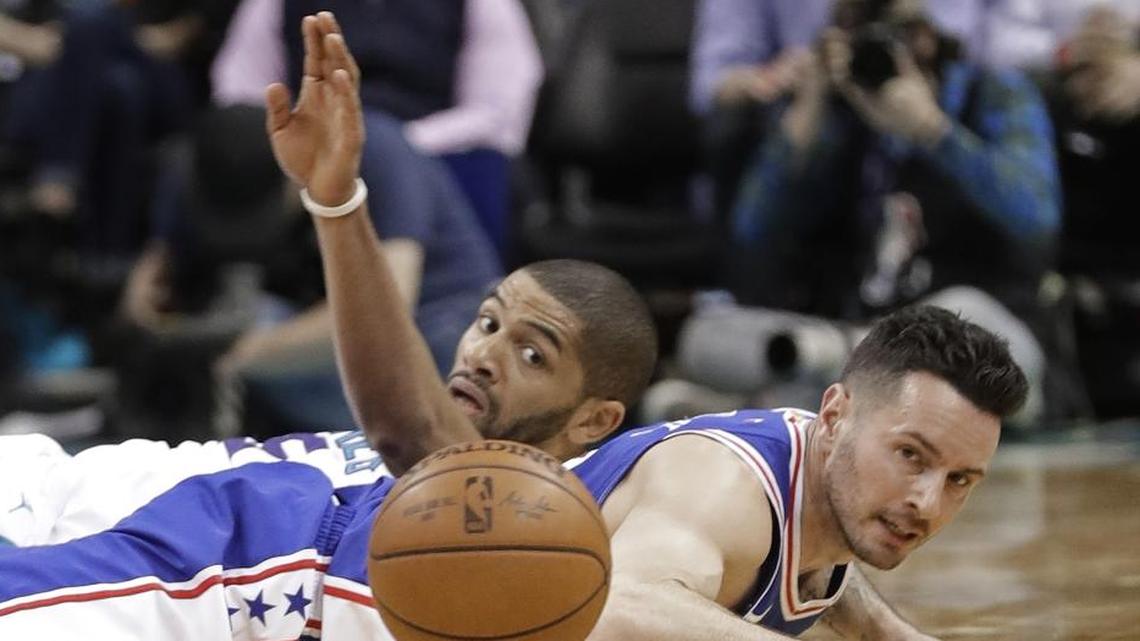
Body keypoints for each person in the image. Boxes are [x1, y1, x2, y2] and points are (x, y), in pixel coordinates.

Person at [0, 14, 1027, 641]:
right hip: (228, 556)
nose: (926, 498)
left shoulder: (817, 473)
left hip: (224, 496)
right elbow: (617, 605)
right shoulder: (719, 489)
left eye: (958, 478)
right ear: (840, 413)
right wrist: (338, 204)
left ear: (594, 419)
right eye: (913, 456)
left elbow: (818, 574)